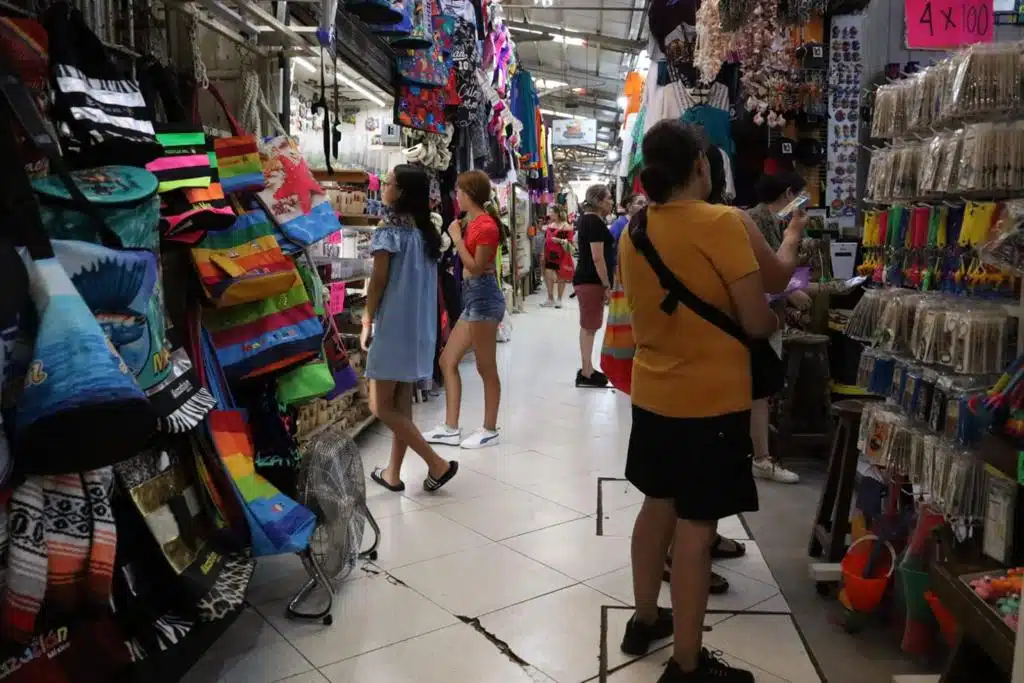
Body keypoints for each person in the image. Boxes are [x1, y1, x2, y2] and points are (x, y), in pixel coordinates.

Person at [618, 120, 778, 683]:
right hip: (711, 402)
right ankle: (686, 665)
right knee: (696, 527)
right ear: (699, 168)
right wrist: (780, 313)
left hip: (653, 393)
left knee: (655, 504)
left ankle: (643, 620)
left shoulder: (635, 231)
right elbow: (757, 320)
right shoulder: (722, 223)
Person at [363, 165, 459, 493]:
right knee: (401, 403)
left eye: (388, 183)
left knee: (380, 406)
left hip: (392, 325)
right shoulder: (427, 234)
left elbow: (378, 281)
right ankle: (392, 473)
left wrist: (366, 318)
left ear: (401, 191)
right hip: (421, 329)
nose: (383, 187)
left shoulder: (389, 229)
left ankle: (436, 463)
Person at [423, 170, 507, 450]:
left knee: (486, 367)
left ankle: (490, 428)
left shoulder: (485, 226)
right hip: (473, 299)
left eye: (459, 191)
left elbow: (476, 267)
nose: (455, 196)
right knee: (447, 361)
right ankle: (450, 427)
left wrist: (457, 238)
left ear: (469, 194)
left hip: (484, 297)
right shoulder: (470, 222)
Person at [743, 172, 812, 484]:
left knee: (759, 390)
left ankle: (758, 455)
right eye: (800, 197)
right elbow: (759, 273)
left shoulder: (769, 220)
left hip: (764, 316)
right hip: (756, 317)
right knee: (759, 389)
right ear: (788, 192)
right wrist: (791, 291)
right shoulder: (755, 222)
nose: (804, 204)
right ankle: (760, 458)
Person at [573, 184, 615, 388]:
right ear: (598, 201)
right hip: (591, 280)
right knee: (590, 326)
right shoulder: (593, 222)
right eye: (608, 198)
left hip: (588, 280)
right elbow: (598, 257)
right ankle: (586, 372)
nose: (611, 202)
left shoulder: (589, 220)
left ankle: (587, 368)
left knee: (589, 326)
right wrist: (607, 284)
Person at [540, 204, 574, 309]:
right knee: (548, 275)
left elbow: (570, 243)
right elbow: (546, 240)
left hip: (562, 254)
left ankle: (559, 299)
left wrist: (559, 240)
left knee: (561, 276)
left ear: (558, 213)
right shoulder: (551, 225)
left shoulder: (567, 226)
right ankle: (550, 298)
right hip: (549, 253)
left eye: (552, 212)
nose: (550, 214)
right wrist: (543, 252)